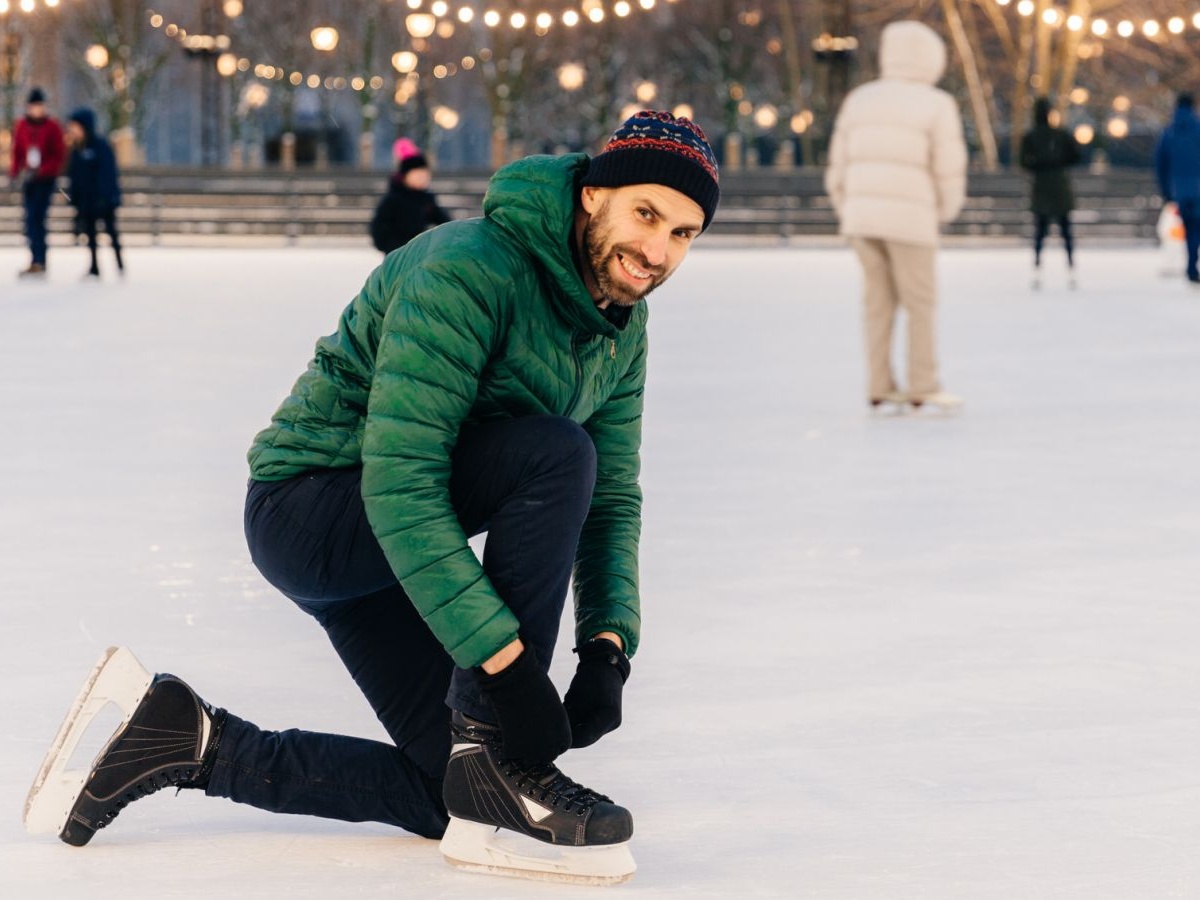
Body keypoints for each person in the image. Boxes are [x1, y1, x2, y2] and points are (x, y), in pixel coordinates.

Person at [25, 110, 720, 884]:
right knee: (556, 453)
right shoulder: (468, 267)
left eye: (684, 234)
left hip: (402, 548)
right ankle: (495, 744)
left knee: (450, 793)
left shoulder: (621, 327)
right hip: (313, 509)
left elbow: (614, 500)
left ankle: (188, 741)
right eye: (647, 215)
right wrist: (506, 671)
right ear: (594, 195)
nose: (656, 253)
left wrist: (607, 650)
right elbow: (402, 478)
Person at [824, 20, 967, 413]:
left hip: (861, 220)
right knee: (920, 303)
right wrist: (944, 209)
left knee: (877, 303)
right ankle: (922, 385)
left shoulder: (860, 99)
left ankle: (879, 385)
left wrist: (847, 207)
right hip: (912, 222)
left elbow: (838, 165)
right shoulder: (937, 104)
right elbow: (948, 167)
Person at [1019, 97, 1081, 289]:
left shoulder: (1031, 137)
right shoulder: (1060, 135)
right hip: (1059, 187)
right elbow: (1076, 156)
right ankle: (1070, 266)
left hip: (1042, 188)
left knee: (1040, 231)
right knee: (1065, 230)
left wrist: (1040, 165)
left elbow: (1023, 161)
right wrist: (1058, 163)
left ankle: (1037, 267)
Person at [9, 87, 66, 279]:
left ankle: (40, 260)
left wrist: (44, 170)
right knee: (30, 219)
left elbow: (58, 155)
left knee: (38, 218)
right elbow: (17, 151)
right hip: (29, 179)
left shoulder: (52, 127)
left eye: (39, 106)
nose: (36, 110)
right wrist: (15, 172)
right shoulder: (23, 126)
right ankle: (35, 259)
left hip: (45, 180)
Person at [65, 107, 124, 280]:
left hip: (103, 201)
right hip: (86, 201)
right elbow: (73, 176)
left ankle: (120, 264)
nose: (72, 130)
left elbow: (108, 175)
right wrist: (73, 198)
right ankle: (94, 267)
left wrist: (106, 198)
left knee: (111, 232)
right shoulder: (76, 150)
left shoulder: (100, 147)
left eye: (75, 126)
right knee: (90, 234)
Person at [370, 138, 451, 255]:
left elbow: (442, 220)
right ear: (405, 176)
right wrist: (392, 247)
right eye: (418, 175)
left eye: (425, 175)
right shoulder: (393, 199)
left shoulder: (426, 199)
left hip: (420, 251)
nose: (423, 179)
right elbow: (379, 227)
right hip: (398, 254)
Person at [1155, 91, 1200, 284]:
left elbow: (1160, 163)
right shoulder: (1198, 129)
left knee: (1189, 227)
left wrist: (1166, 190)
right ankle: (1192, 264)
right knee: (1196, 228)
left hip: (1178, 189)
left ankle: (1191, 264)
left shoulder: (1169, 131)